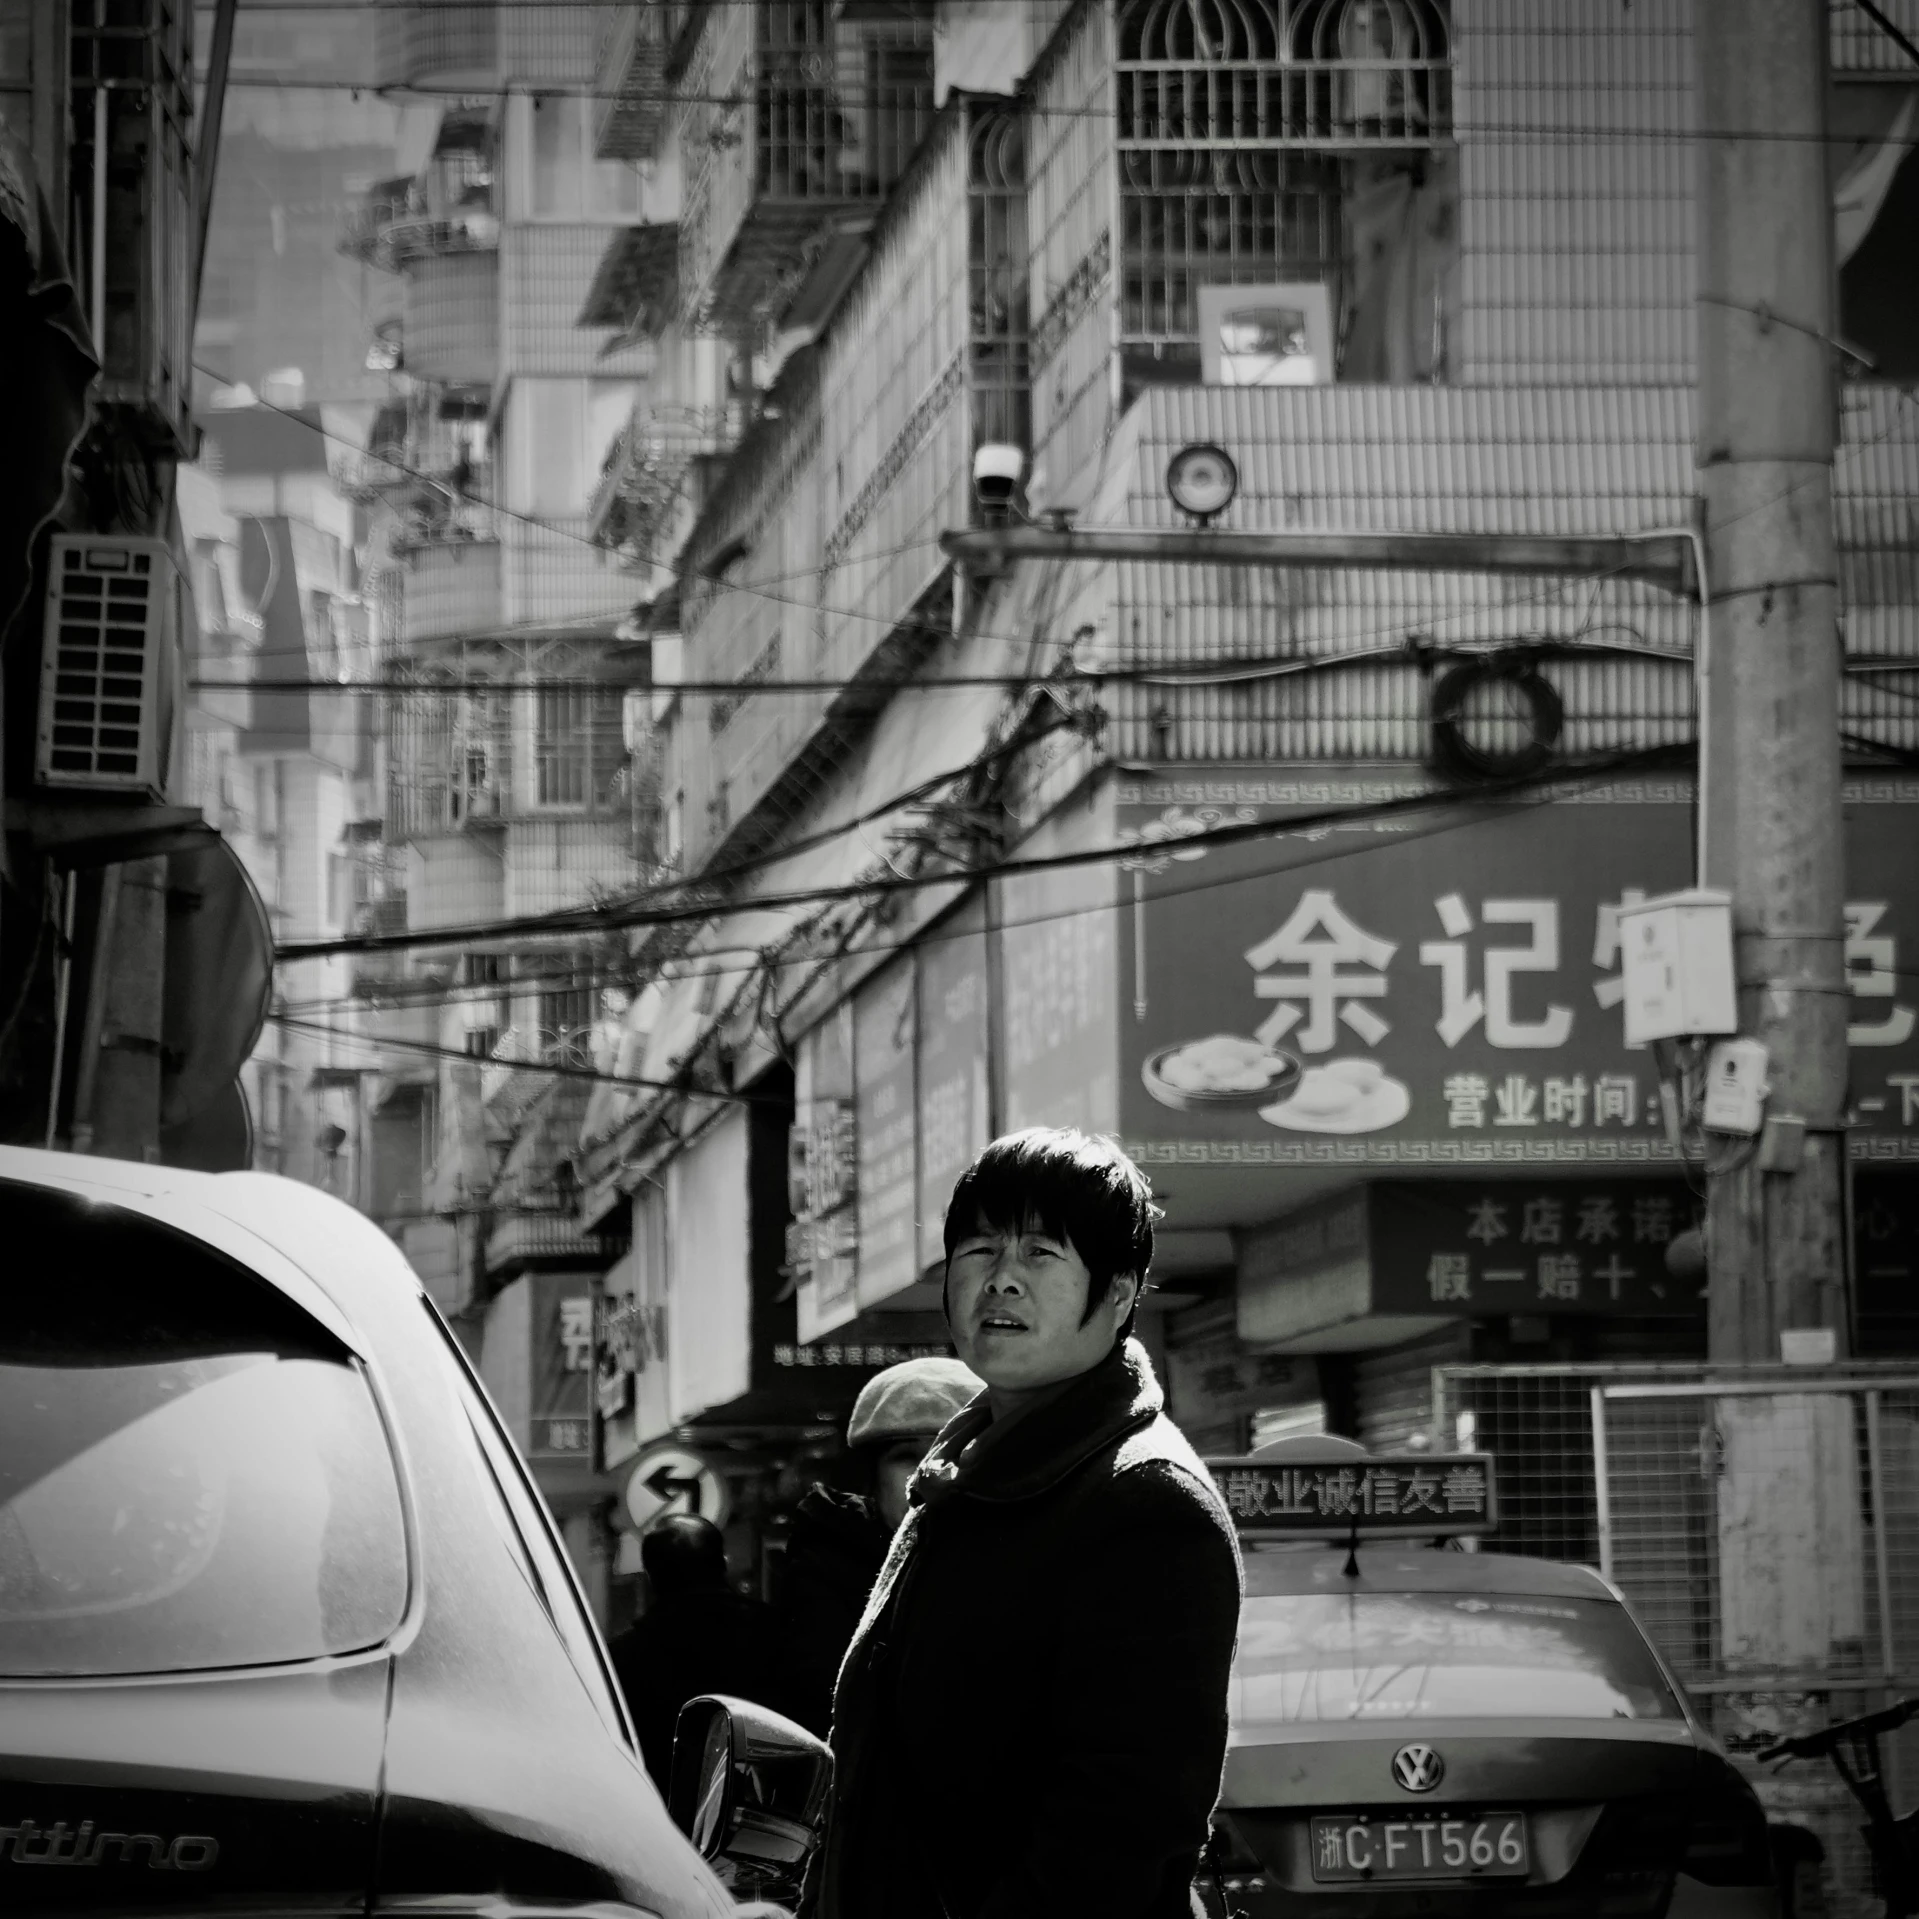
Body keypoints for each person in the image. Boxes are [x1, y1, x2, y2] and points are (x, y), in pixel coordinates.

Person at [808, 1127, 1244, 1919]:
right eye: (978, 1250)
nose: (1001, 1280)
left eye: (1041, 1254)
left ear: (1117, 1292)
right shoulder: (965, 1473)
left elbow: (1116, 1834)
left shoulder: (1144, 1502)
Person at [777, 1355, 982, 1736]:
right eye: (905, 1456)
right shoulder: (826, 1568)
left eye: (951, 1452)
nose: (927, 1472)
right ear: (870, 1479)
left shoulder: (1024, 1555)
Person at [607, 1514, 785, 1790]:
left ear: (652, 1575)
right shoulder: (775, 1635)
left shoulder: (625, 1656)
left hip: (662, 1813)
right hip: (763, 1811)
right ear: (722, 1564)